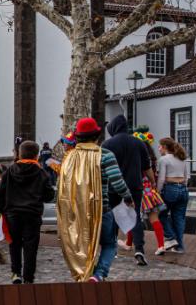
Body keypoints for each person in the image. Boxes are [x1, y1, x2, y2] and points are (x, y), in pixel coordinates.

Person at [56, 117, 134, 283]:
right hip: (102, 209)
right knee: (109, 244)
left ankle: (85, 274)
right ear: (96, 136)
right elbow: (117, 181)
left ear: (77, 137)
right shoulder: (105, 155)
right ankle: (98, 274)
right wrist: (127, 197)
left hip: (77, 214)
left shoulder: (69, 157)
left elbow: (62, 185)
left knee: (82, 246)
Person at [0, 140, 54, 284]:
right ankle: (28, 277)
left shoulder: (10, 171)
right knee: (31, 246)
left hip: (12, 215)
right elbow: (49, 195)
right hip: (32, 214)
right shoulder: (41, 172)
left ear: (20, 154)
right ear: (36, 155)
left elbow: (1, 192)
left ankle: (16, 273)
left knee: (14, 244)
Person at [102, 114, 153, 267]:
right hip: (135, 186)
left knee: (113, 216)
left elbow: (100, 167)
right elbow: (147, 167)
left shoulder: (107, 144)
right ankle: (139, 249)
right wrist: (153, 182)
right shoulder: (139, 143)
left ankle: (112, 249)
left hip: (113, 187)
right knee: (135, 217)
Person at [128, 131, 171, 256]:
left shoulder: (137, 158)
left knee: (132, 217)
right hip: (150, 191)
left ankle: (129, 243)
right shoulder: (152, 158)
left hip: (139, 190)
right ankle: (161, 245)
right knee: (154, 218)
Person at [157, 137, 192, 253]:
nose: (158, 148)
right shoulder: (182, 159)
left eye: (160, 146)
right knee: (179, 218)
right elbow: (187, 177)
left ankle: (171, 237)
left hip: (170, 189)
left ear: (165, 147)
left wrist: (157, 191)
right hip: (183, 190)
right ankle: (180, 247)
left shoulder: (163, 160)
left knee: (161, 214)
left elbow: (161, 179)